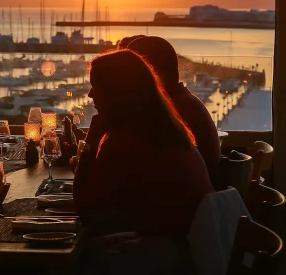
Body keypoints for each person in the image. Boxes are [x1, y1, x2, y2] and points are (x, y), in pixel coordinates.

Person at [74, 50, 213, 239]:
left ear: (115, 91)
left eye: (95, 86)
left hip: (168, 256)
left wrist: (91, 140)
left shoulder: (125, 140)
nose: (90, 94)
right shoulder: (167, 131)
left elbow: (86, 207)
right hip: (194, 245)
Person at [126, 36, 221, 181]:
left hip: (186, 200)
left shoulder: (170, 112)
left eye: (131, 72)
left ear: (152, 73)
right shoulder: (185, 102)